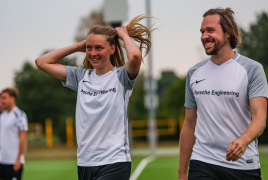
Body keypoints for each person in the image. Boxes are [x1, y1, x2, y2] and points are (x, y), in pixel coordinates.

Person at [35, 14, 155, 180]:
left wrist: (124, 35)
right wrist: (78, 46)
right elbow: (42, 62)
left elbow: (135, 56)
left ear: (112, 49)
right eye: (89, 48)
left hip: (114, 162)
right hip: (85, 163)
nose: (93, 53)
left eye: (99, 48)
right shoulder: (80, 76)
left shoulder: (122, 77)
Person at [178, 7, 268, 180]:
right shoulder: (194, 73)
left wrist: (243, 140)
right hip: (203, 161)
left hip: (243, 165)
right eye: (202, 31)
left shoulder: (252, 69)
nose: (204, 36)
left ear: (228, 33)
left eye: (210, 30)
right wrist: (182, 172)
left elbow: (260, 117)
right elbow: (189, 124)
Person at [0, 88, 28, 180]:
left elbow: (23, 138)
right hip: (2, 160)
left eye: (4, 98)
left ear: (13, 99)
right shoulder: (2, 116)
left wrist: (19, 159)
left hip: (13, 161)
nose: (1, 100)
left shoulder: (19, 115)